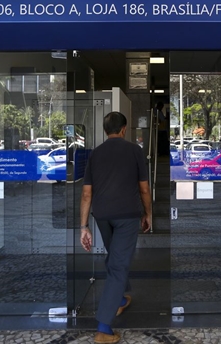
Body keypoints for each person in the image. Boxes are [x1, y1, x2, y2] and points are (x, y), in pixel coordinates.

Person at [79, 111, 152, 344]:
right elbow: (144, 189)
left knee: (115, 258)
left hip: (102, 216)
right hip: (127, 216)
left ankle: (119, 300)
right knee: (119, 264)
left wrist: (83, 226)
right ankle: (103, 328)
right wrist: (148, 213)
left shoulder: (95, 154)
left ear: (105, 130)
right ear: (123, 129)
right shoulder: (135, 151)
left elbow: (86, 193)